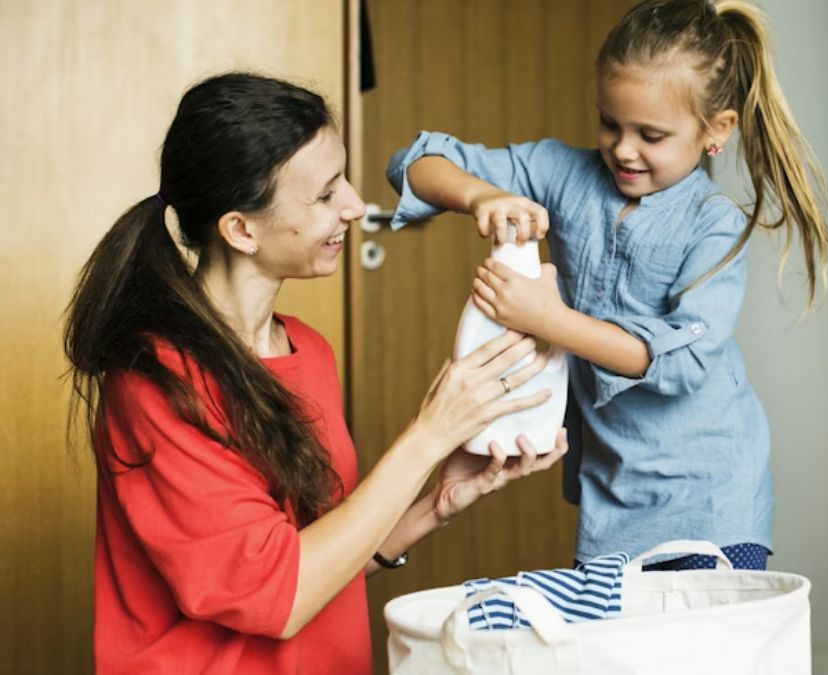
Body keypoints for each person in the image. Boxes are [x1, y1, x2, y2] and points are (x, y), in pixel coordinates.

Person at [62, 72, 566, 675]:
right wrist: (428, 435)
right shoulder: (156, 383)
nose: (355, 205)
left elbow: (322, 560)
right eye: (326, 194)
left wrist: (438, 502)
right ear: (241, 229)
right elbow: (280, 596)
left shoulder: (306, 350)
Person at [386, 0, 828, 570]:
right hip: (612, 496)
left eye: (651, 134)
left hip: (713, 502)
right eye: (609, 123)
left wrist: (548, 320)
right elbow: (416, 162)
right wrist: (482, 195)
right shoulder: (561, 172)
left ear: (715, 132)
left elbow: (684, 361)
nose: (623, 149)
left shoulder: (714, 221)